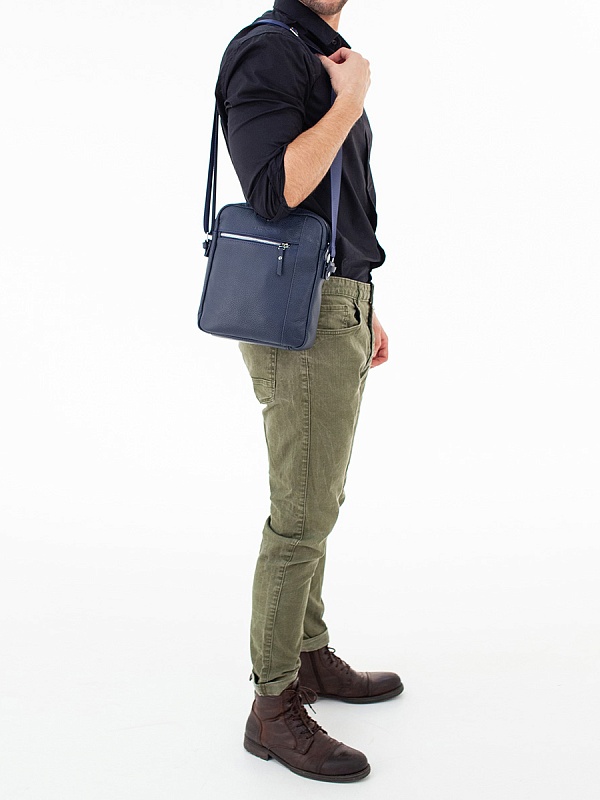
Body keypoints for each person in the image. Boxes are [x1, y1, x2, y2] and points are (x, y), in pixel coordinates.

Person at [214, 0, 402, 783]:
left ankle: (310, 653)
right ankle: (273, 705)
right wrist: (350, 100)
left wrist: (362, 300)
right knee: (299, 514)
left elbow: (332, 202)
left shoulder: (319, 49)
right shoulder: (268, 51)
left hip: (336, 300)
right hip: (304, 312)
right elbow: (276, 193)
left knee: (318, 497)